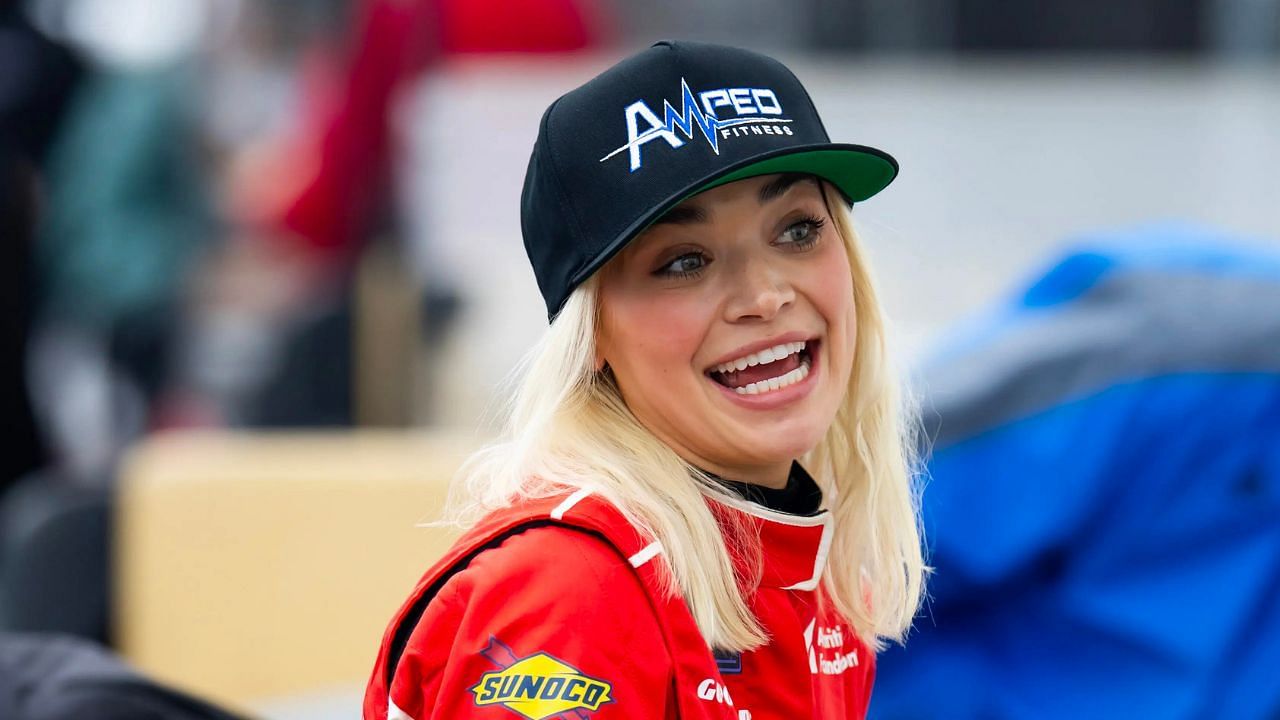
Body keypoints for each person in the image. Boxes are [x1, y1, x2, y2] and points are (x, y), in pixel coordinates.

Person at [364, 40, 927, 720]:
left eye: (799, 229)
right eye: (685, 261)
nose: (765, 295)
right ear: (591, 335)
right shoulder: (570, 593)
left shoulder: (811, 568)